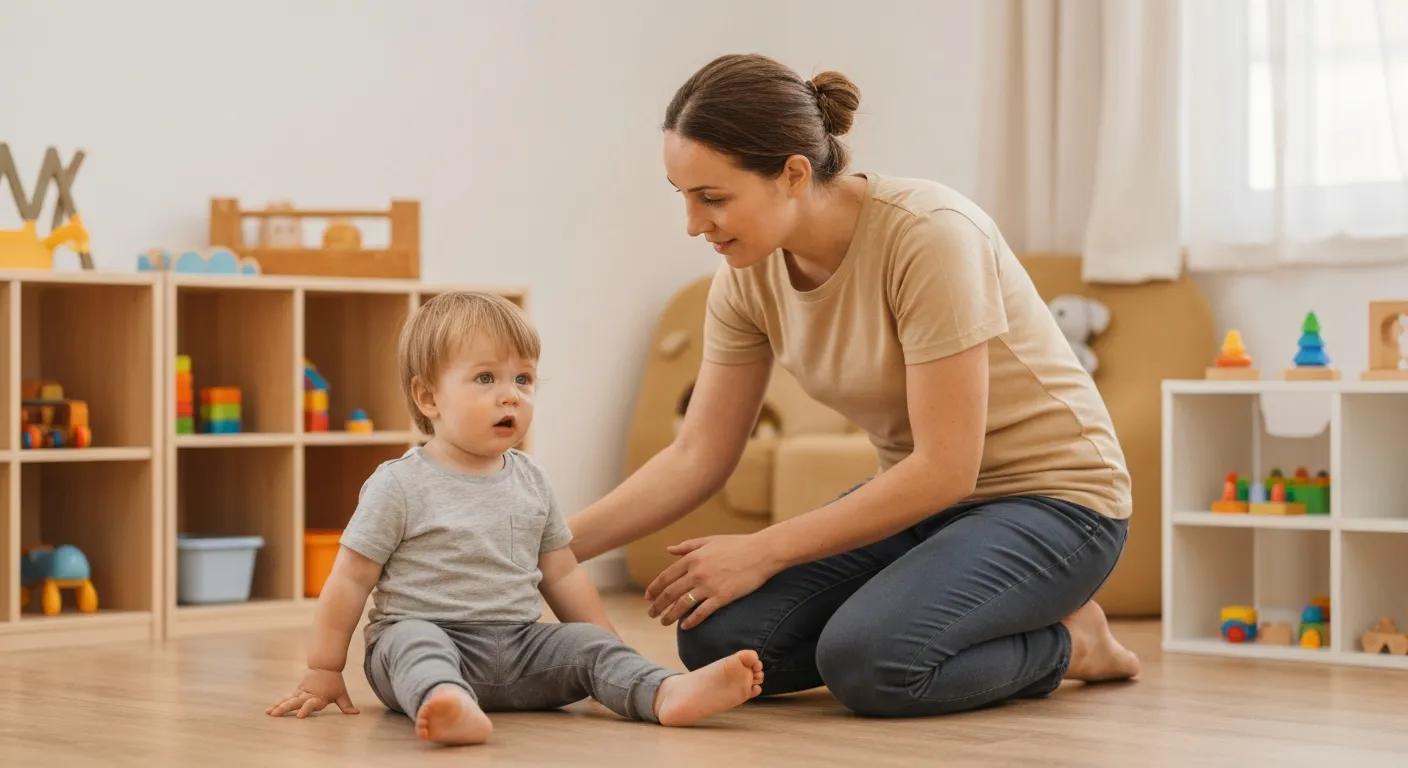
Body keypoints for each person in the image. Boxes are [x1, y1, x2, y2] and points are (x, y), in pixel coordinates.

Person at [569, 54, 1140, 718]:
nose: (694, 224)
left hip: (1057, 502)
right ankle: (937, 613)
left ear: (793, 174)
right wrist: (544, 546)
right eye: (683, 196)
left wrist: (761, 551)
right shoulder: (746, 277)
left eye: (713, 198)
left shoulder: (929, 236)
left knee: (873, 662)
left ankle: (1072, 643)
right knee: (719, 637)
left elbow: (948, 468)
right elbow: (698, 454)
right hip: (919, 506)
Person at [266, 291, 763, 744]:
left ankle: (663, 693)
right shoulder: (399, 484)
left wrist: (606, 649)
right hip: (427, 636)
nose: (511, 395)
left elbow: (562, 574)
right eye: (486, 378)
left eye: (523, 379)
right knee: (413, 641)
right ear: (428, 397)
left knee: (587, 644)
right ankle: (447, 702)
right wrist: (324, 668)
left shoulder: (531, 480)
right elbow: (350, 579)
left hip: (521, 648)